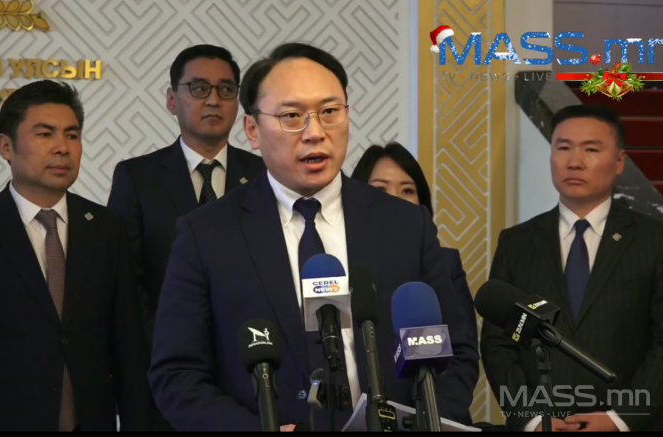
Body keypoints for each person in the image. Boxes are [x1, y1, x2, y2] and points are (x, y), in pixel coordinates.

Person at [148, 42, 479, 432]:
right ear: (253, 130)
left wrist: (423, 425)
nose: (315, 132)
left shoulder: (405, 224)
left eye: (330, 112)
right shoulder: (207, 234)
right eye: (292, 116)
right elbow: (178, 375)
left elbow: (453, 353)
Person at [0, 80, 152, 431]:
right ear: (5, 146)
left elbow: (128, 346)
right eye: (44, 134)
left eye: (72, 135)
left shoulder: (106, 229)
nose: (62, 147)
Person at [480, 104, 663, 432]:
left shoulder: (656, 240)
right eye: (563, 147)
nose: (574, 161)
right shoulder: (517, 242)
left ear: (619, 161)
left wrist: (620, 418)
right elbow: (499, 343)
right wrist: (532, 418)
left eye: (591, 149)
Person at [107, 44, 266, 347]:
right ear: (171, 100)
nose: (214, 100)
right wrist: (163, 343)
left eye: (226, 90)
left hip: (253, 348)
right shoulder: (138, 178)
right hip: (165, 350)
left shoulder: (265, 175)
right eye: (199, 88)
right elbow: (124, 279)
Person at [351, 142, 479, 424]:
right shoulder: (342, 265)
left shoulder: (444, 264)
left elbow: (460, 354)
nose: (395, 200)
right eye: (380, 189)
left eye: (407, 190)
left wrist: (432, 420)